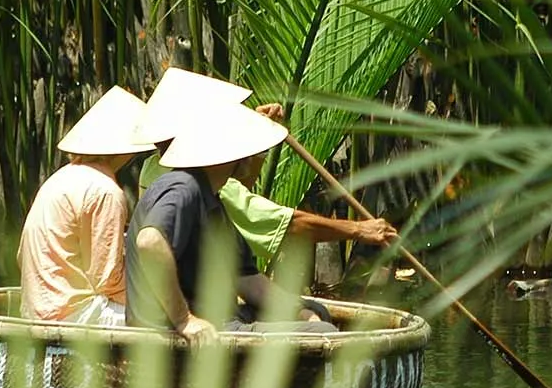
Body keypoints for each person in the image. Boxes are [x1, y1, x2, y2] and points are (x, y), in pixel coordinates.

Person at [132, 69, 398, 271]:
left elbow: (240, 183)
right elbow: (289, 225)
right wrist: (359, 230)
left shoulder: (154, 168)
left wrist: (253, 136)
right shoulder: (190, 182)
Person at [127, 100, 337, 339]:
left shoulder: (212, 200)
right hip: (182, 331)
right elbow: (150, 242)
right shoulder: (184, 187)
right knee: (322, 332)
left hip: (222, 318)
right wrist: (185, 320)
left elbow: (247, 280)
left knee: (315, 311)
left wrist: (299, 311)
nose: (253, 157)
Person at [16, 86, 150, 326]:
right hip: (73, 314)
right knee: (167, 320)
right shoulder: (106, 191)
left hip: (37, 308)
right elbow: (107, 279)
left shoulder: (61, 178)